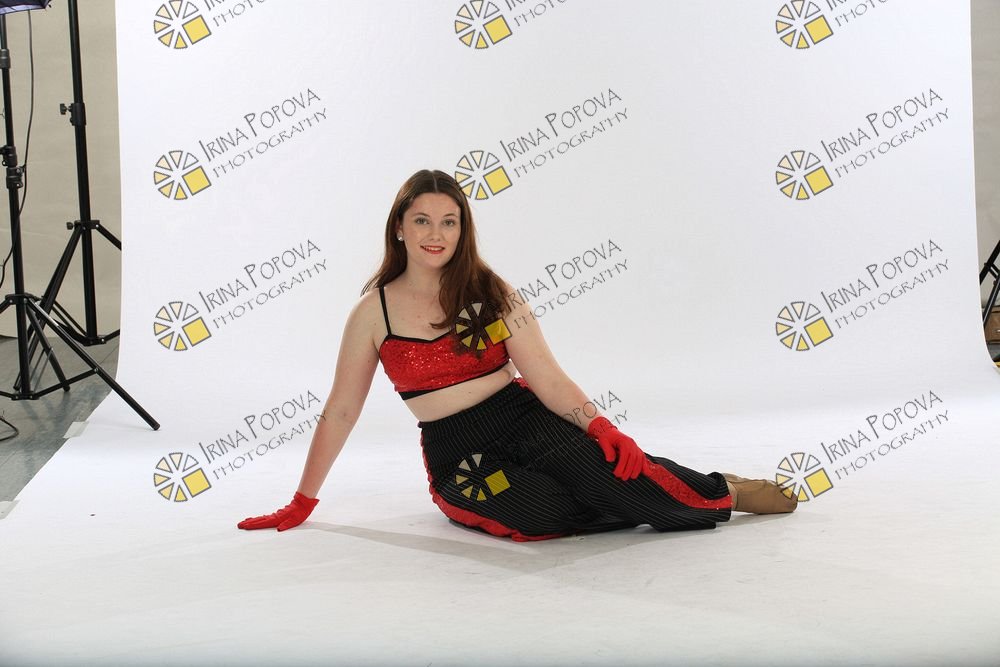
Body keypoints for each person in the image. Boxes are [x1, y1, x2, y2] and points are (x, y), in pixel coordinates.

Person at [238, 169, 796, 540]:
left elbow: (546, 377)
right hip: (461, 455)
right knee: (538, 513)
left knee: (608, 471)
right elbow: (341, 410)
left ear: (463, 230)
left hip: (526, 420)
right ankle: (637, 493)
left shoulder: (492, 291)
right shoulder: (372, 314)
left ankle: (722, 491)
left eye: (449, 221)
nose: (436, 233)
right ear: (400, 228)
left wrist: (600, 427)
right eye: (422, 220)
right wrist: (303, 500)